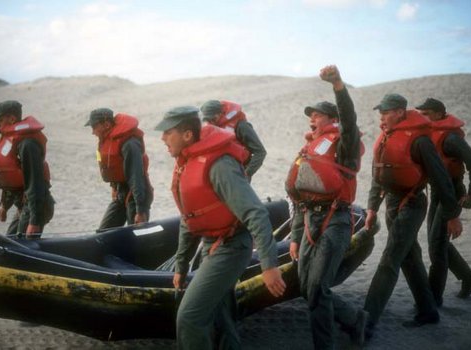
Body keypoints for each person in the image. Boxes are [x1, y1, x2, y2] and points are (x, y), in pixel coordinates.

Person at [155, 106, 286, 350]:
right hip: (210, 244)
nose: (162, 138)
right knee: (221, 315)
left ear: (187, 135)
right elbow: (189, 218)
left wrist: (269, 265)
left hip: (233, 245)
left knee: (190, 317)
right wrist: (181, 266)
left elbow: (256, 213)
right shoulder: (187, 162)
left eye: (167, 132)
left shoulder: (220, 166)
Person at [363, 94, 463, 336]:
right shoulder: (386, 136)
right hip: (391, 203)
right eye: (381, 112)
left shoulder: (420, 141)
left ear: (400, 112)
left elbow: (441, 178)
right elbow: (379, 174)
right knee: (409, 258)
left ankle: (365, 321)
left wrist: (452, 214)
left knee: (390, 259)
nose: (382, 117)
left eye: (386, 112)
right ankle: (428, 311)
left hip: (413, 203)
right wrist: (372, 208)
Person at [286, 65, 367, 348]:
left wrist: (338, 86)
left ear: (332, 119)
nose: (312, 119)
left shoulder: (344, 144)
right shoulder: (310, 149)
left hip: (336, 221)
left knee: (318, 288)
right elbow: (299, 199)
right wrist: (296, 237)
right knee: (308, 288)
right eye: (310, 116)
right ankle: (355, 318)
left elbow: (349, 117)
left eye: (317, 115)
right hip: (309, 221)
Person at [416, 98, 471, 302]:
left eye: (426, 113)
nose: (422, 117)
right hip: (438, 191)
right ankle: (469, 277)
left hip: (452, 192)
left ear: (438, 114)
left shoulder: (450, 139)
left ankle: (433, 299)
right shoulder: (430, 133)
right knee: (436, 243)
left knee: (436, 246)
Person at [0, 100, 55, 238]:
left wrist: (34, 221)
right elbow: (11, 177)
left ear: (12, 119)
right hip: (24, 206)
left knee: (21, 247)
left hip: (36, 207)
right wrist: (4, 205)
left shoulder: (27, 145)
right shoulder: (12, 141)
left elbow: (35, 184)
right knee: (9, 241)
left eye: (0, 120)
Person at [85, 108, 153, 229]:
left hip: (135, 194)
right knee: (104, 233)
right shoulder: (107, 140)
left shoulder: (129, 144)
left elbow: (136, 177)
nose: (93, 132)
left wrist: (140, 210)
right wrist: (114, 187)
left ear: (106, 124)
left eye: (95, 127)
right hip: (120, 192)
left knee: (136, 234)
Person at [200, 100, 267, 180]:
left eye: (213, 118)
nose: (210, 122)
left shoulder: (241, 126)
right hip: (218, 174)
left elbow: (260, 152)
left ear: (221, 113)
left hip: (237, 174)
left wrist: (247, 173)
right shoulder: (209, 126)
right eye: (207, 119)